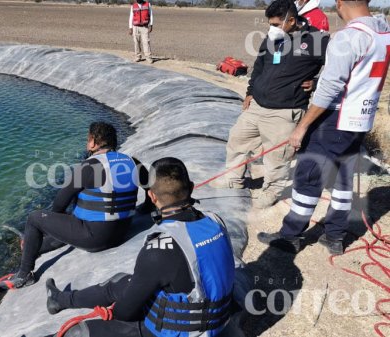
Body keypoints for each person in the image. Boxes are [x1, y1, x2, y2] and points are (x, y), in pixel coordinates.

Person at [43, 157, 236, 337]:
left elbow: (124, 313)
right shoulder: (215, 220)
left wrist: (113, 310)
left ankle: (61, 301)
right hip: (217, 318)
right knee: (121, 283)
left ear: (152, 196)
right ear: (191, 188)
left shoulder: (160, 246)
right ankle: (59, 299)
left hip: (182, 331)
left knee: (78, 332)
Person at [258, 0, 390, 255]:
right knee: (343, 179)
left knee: (308, 177)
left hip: (334, 120)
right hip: (360, 120)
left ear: (340, 3)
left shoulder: (347, 38)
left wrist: (302, 127)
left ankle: (290, 236)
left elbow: (330, 90)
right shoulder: (383, 32)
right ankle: (335, 237)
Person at [2, 122, 151, 288]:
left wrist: (51, 225)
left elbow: (59, 204)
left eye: (88, 140)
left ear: (93, 142)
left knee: (35, 218)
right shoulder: (132, 162)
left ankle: (24, 275)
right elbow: (151, 187)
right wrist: (146, 207)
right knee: (75, 216)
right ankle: (39, 245)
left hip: (94, 238)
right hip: (121, 231)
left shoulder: (87, 167)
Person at [210, 0, 329, 209]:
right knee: (237, 140)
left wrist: (317, 82)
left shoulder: (317, 40)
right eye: (269, 24)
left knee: (276, 157)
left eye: (275, 24)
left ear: (291, 20)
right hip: (257, 104)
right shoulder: (274, 37)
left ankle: (271, 191)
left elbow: (339, 70)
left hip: (285, 111)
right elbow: (260, 65)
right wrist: (249, 92)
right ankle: (234, 179)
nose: (271, 28)